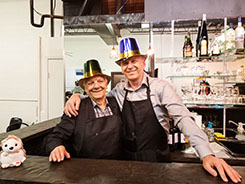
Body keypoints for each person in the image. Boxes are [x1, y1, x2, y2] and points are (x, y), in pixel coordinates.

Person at [64, 38, 242, 183]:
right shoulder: (118, 90)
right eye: (125, 62)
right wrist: (78, 96)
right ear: (121, 67)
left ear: (143, 61)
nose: (130, 66)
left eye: (134, 61)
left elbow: (183, 118)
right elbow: (98, 94)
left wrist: (206, 154)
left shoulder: (161, 87)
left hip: (156, 162)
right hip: (125, 162)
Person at [45, 59, 123, 162]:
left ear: (106, 84)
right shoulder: (76, 108)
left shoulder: (117, 102)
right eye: (90, 83)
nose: (96, 86)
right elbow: (55, 136)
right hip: (86, 169)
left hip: (117, 165)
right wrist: (56, 147)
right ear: (85, 88)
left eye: (100, 81)